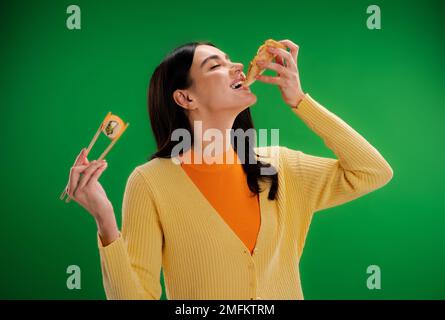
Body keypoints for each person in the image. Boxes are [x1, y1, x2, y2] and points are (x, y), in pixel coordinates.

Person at [65, 39, 394, 300]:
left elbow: (372, 171)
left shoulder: (279, 166)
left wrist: (300, 101)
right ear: (185, 98)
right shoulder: (150, 183)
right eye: (215, 65)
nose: (237, 66)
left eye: (229, 60)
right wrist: (105, 221)